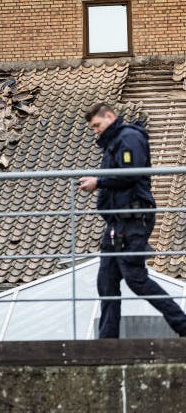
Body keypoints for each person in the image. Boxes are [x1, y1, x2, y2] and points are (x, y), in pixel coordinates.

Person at [78, 102, 186, 338]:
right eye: (93, 128)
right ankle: (107, 341)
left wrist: (99, 182)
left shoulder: (129, 138)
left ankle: (183, 325)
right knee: (106, 281)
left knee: (136, 279)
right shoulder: (113, 144)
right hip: (117, 223)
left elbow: (131, 173)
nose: (95, 131)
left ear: (109, 116)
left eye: (97, 125)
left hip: (134, 220)